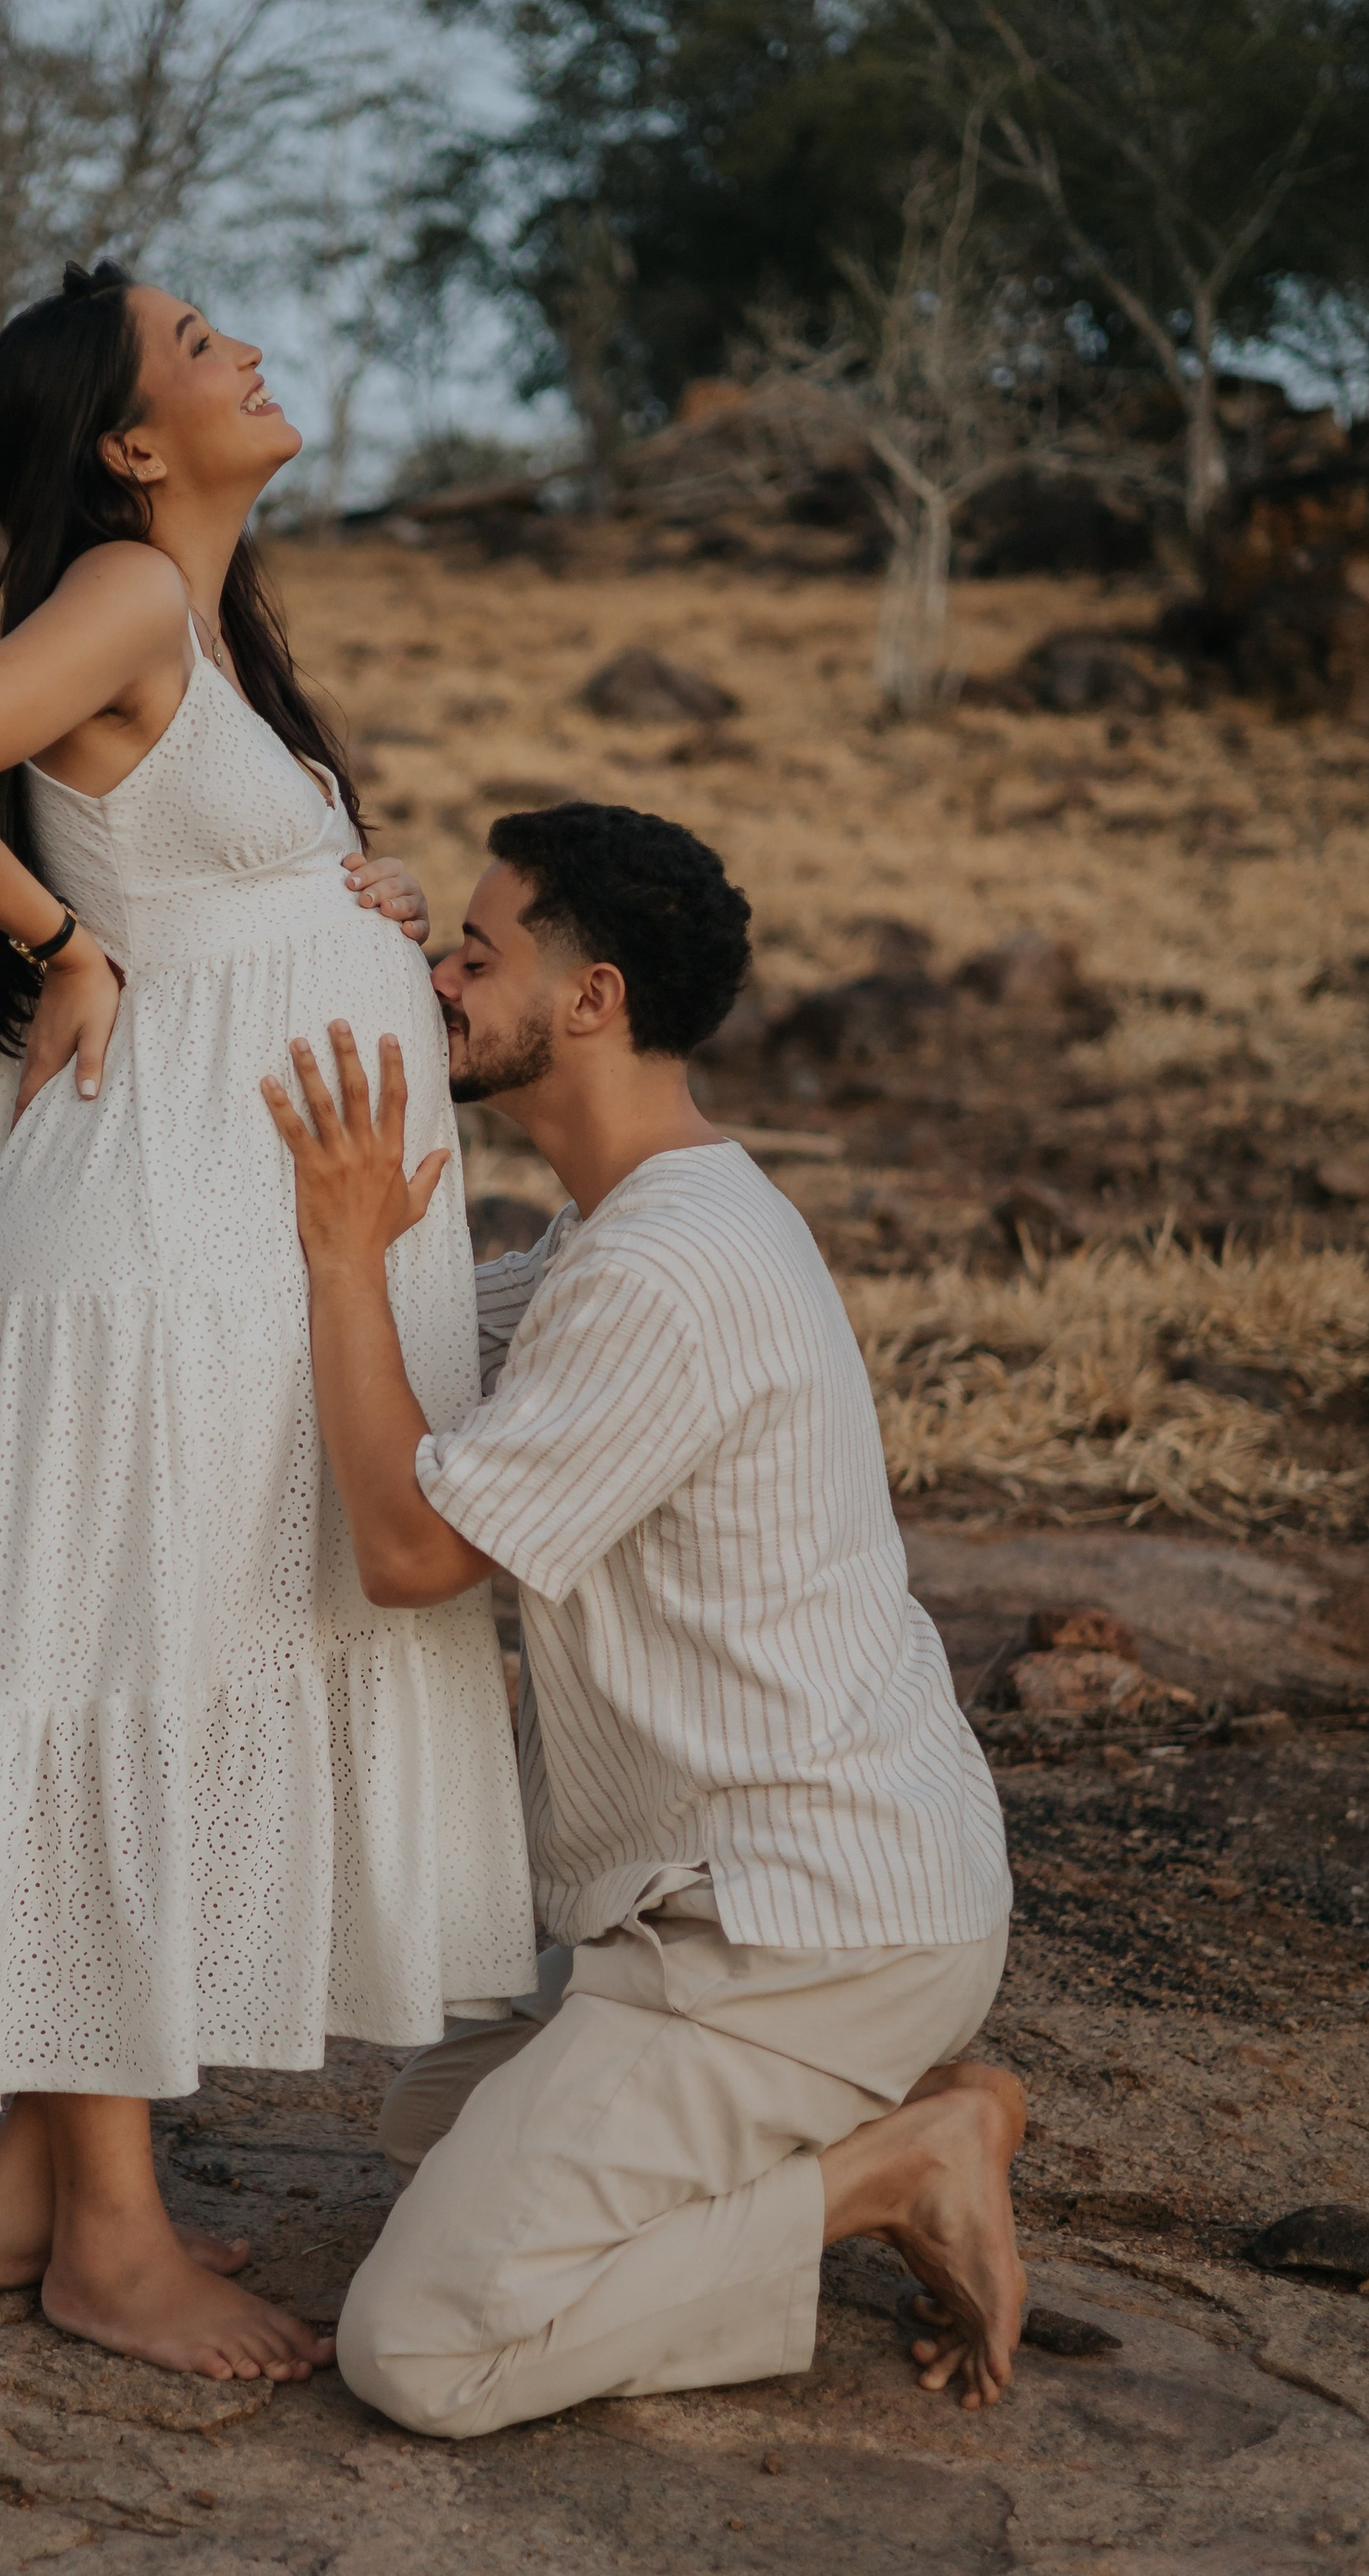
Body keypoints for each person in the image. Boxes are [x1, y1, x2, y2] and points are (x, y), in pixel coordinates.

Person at [0, 261, 537, 2387]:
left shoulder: (207, 633)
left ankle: (30, 2190)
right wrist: (55, 939)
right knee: (124, 1664)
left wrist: (356, 899)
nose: (246, 345)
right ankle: (109, 2246)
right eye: (198, 340)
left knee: (150, 1651)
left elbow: (196, 882)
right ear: (131, 441)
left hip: (231, 1245)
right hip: (154, 1247)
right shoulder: (133, 594)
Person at [259, 801, 1024, 2439]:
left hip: (795, 1928)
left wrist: (337, 1260)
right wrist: (352, 949)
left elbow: (409, 1546)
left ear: (590, 999)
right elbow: (426, 1358)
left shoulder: (662, 1274)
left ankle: (896, 2163)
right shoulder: (627, 1225)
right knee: (430, 2130)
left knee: (424, 2348)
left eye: (476, 950)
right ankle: (878, 2116)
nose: (444, 977)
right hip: (796, 1900)